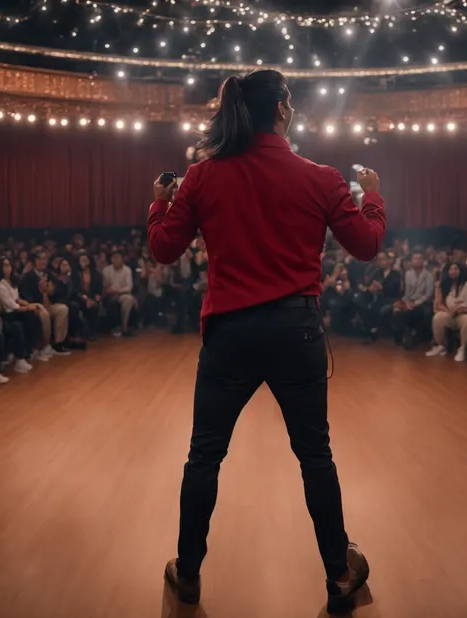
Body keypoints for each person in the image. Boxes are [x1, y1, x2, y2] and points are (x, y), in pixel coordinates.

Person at [146, 70, 381, 614]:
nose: (292, 108)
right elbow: (367, 244)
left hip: (229, 334)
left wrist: (159, 203)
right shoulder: (320, 177)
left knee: (204, 457)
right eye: (289, 101)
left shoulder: (202, 177)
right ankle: (339, 574)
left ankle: (188, 572)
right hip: (296, 331)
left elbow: (163, 249)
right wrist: (372, 197)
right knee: (315, 456)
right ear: (279, 109)